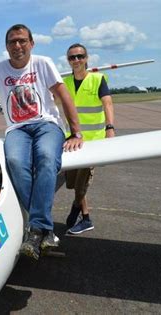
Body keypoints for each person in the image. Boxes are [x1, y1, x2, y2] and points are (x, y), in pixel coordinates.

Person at [0, 24, 83, 260]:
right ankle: (45, 229)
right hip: (17, 128)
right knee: (14, 161)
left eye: (22, 40)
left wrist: (76, 132)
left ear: (31, 43)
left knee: (46, 157)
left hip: (47, 124)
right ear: (6, 47)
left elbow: (63, 95)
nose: (17, 45)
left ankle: (35, 231)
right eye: (12, 41)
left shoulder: (43, 63)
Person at [63, 43, 115, 234]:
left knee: (81, 181)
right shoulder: (66, 83)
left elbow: (107, 102)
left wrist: (110, 127)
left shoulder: (98, 79)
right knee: (72, 183)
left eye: (80, 56)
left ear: (86, 58)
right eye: (72, 57)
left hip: (93, 141)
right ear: (68, 61)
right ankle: (81, 211)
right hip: (73, 140)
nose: (76, 60)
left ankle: (82, 214)